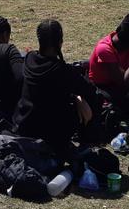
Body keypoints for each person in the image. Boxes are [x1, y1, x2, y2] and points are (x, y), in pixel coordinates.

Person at [13, 19, 102, 157]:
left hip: (23, 125)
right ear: (60, 42)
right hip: (49, 136)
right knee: (89, 100)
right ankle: (87, 139)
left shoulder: (29, 59)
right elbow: (90, 90)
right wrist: (77, 98)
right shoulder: (61, 71)